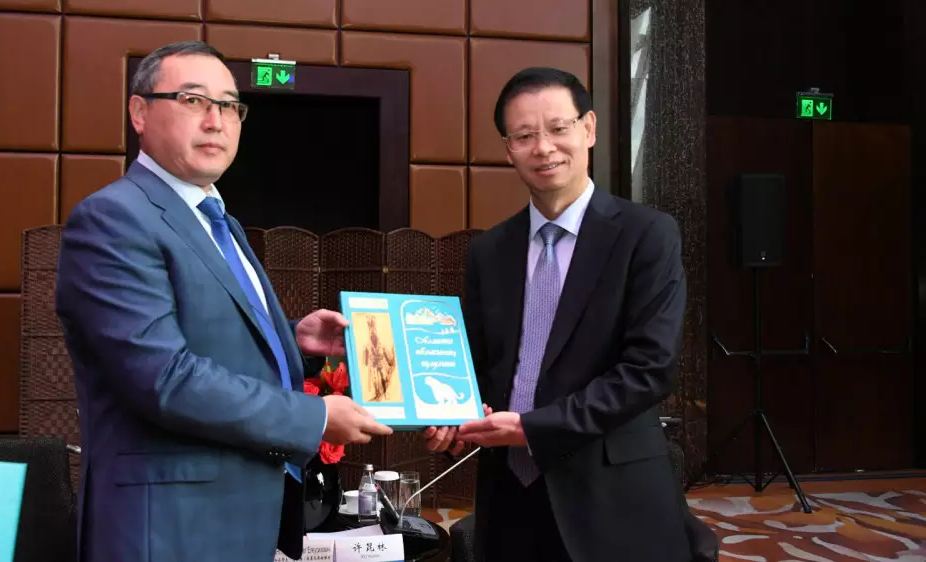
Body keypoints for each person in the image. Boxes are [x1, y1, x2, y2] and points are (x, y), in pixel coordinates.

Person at [55, 40, 393, 562]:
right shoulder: (113, 219)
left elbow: (210, 340)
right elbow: (164, 379)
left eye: (230, 105)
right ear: (139, 112)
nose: (216, 121)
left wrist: (292, 342)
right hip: (167, 529)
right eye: (193, 100)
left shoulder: (215, 218)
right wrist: (312, 418)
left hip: (235, 518)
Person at [423, 67, 717, 561]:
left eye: (558, 128)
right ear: (508, 149)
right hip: (509, 495)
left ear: (589, 128)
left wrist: (533, 428)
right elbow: (476, 365)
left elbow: (649, 370)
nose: (544, 148)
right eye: (524, 136)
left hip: (612, 494)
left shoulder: (647, 235)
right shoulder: (489, 250)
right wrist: (451, 419)